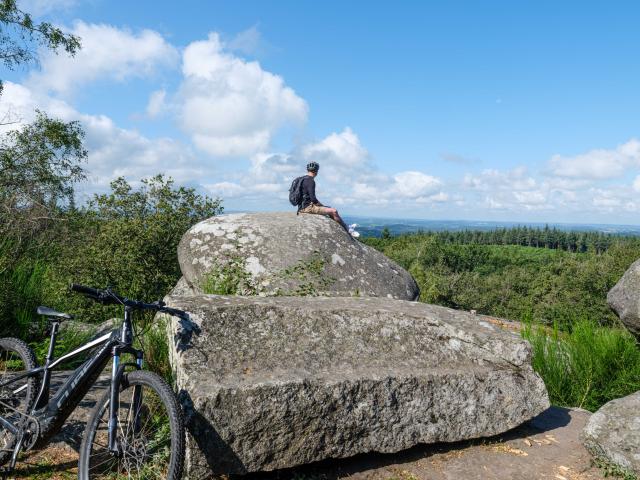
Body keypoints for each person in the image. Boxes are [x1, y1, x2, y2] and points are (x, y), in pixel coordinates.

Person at [298, 161, 353, 234]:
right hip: (308, 208)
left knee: (328, 208)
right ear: (316, 171)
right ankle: (347, 229)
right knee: (334, 211)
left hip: (301, 207)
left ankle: (338, 228)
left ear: (307, 170)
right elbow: (313, 199)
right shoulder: (310, 181)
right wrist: (322, 205)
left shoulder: (302, 179)